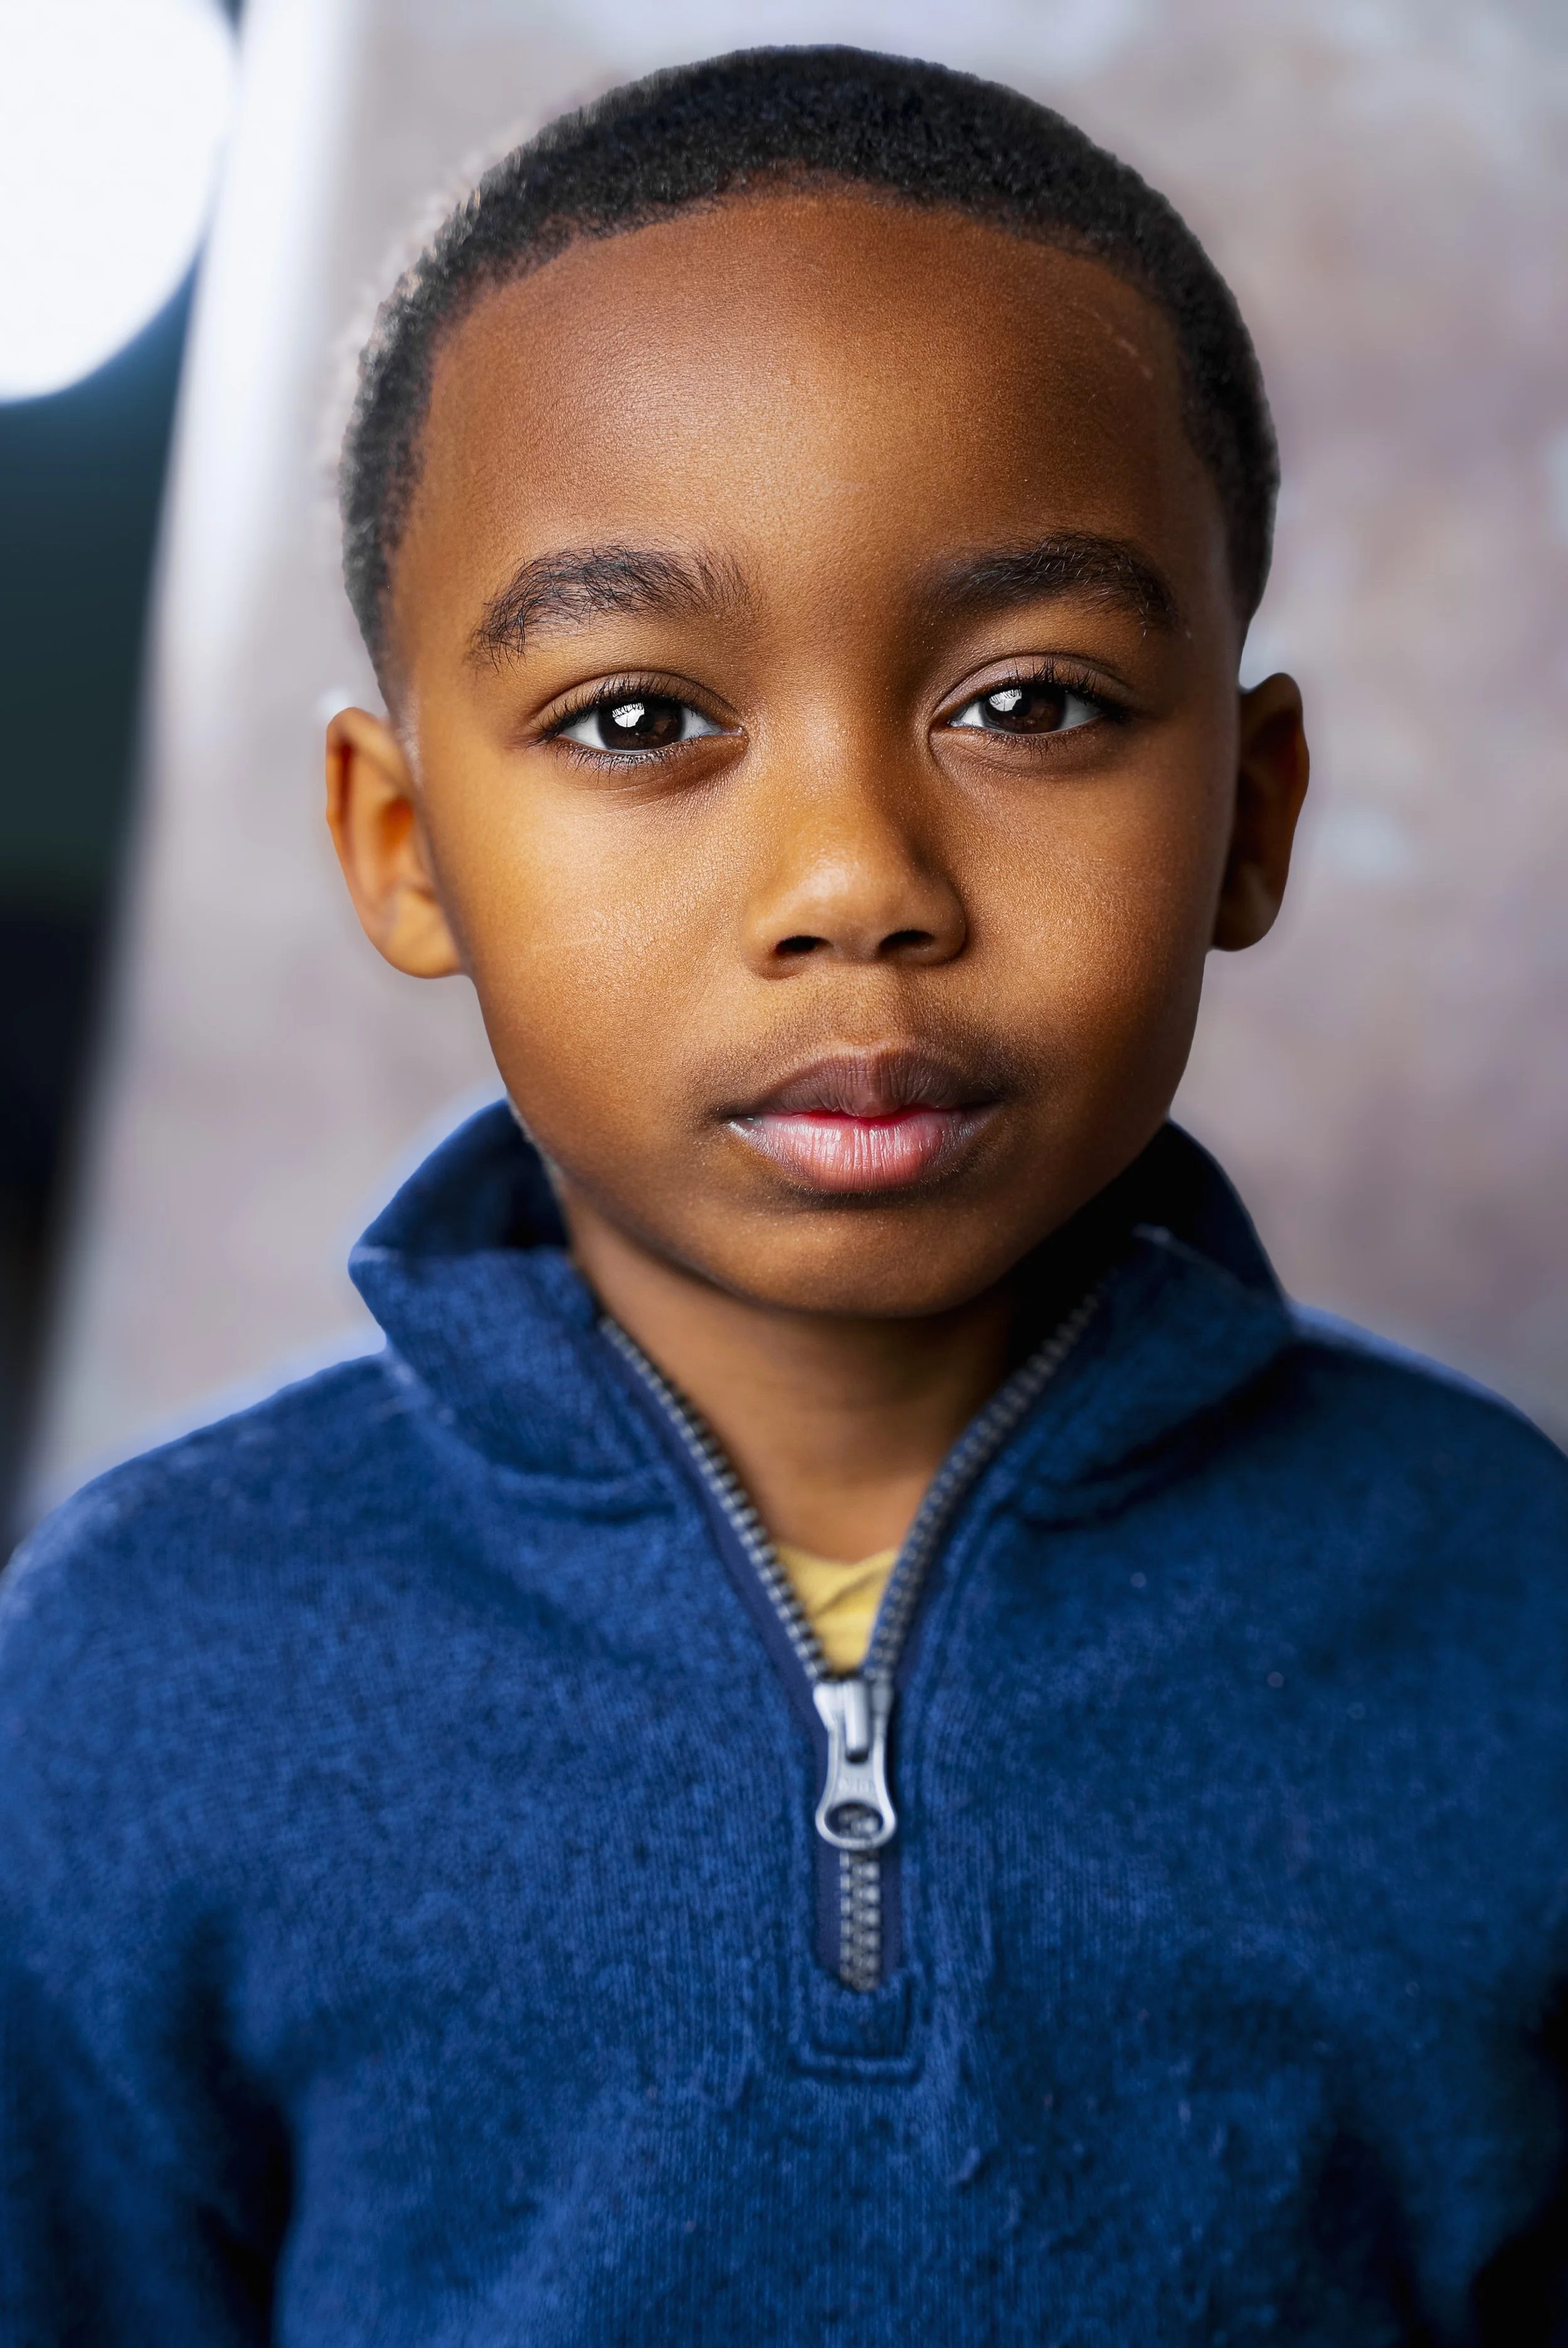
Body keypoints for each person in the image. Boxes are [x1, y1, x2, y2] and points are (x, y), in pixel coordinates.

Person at [1, 45, 1564, 2344]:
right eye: (640, 719)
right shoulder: (135, 1665)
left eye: (1029, 702)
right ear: (401, 843)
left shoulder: (1507, 1613)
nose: (857, 881)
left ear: (1250, 806)